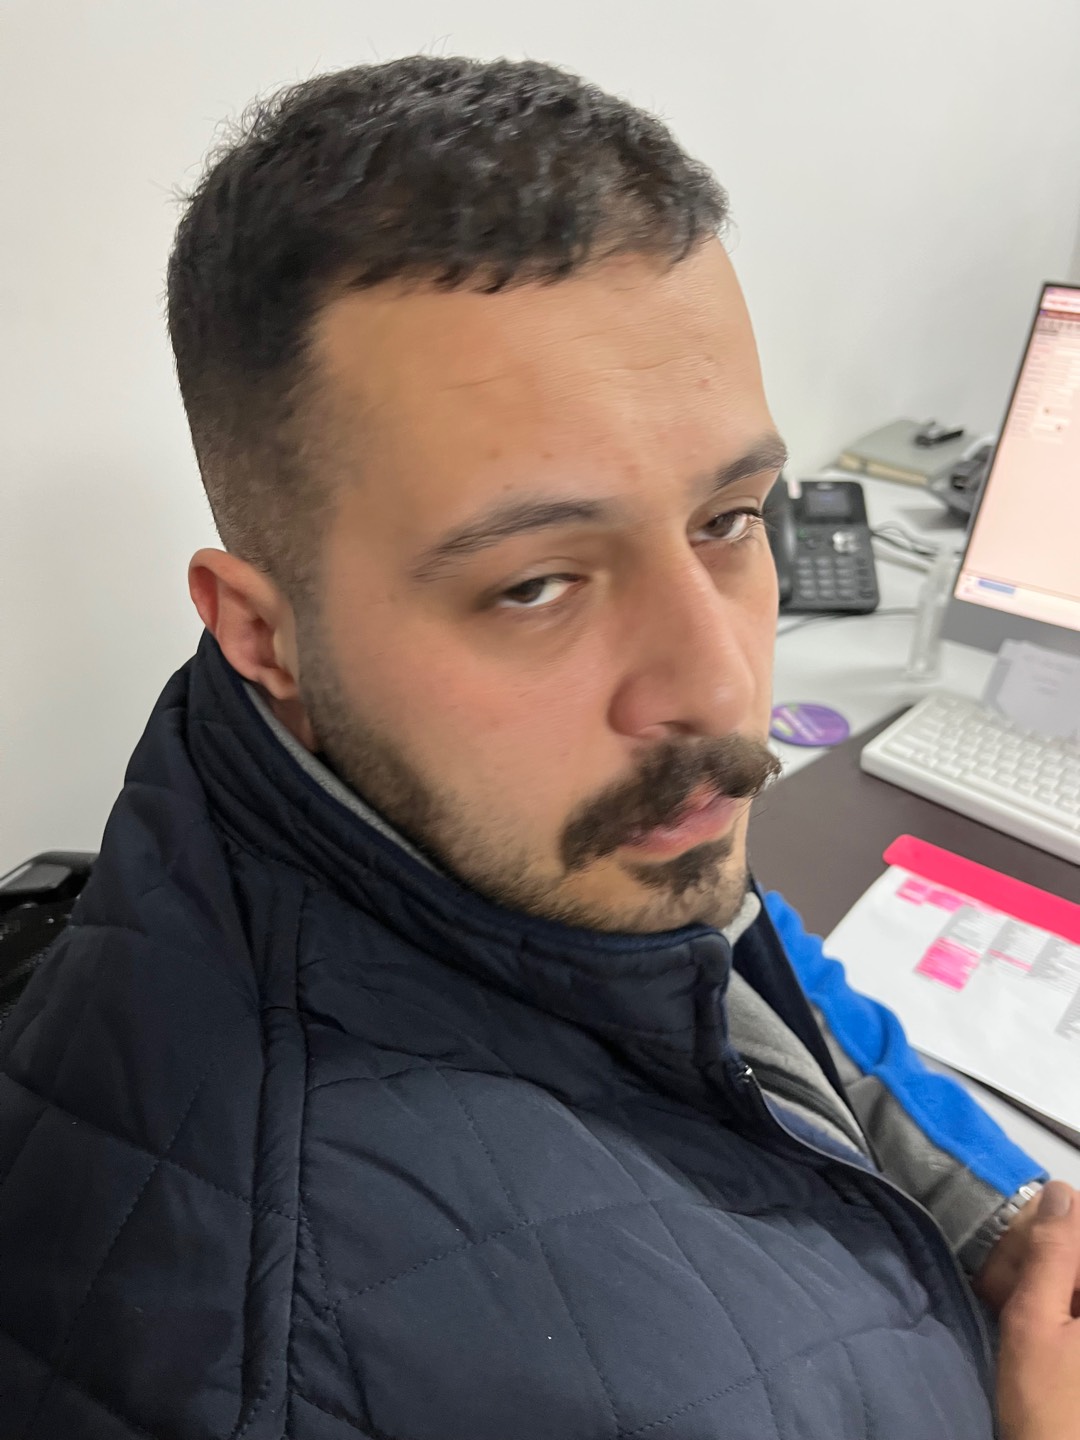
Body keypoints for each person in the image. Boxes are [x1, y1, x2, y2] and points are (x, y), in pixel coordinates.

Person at [0, 55, 1075, 1440]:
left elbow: (740, 960)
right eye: (536, 585)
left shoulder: (530, 825)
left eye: (729, 519)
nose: (716, 686)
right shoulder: (319, 1362)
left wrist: (992, 1217)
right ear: (261, 631)